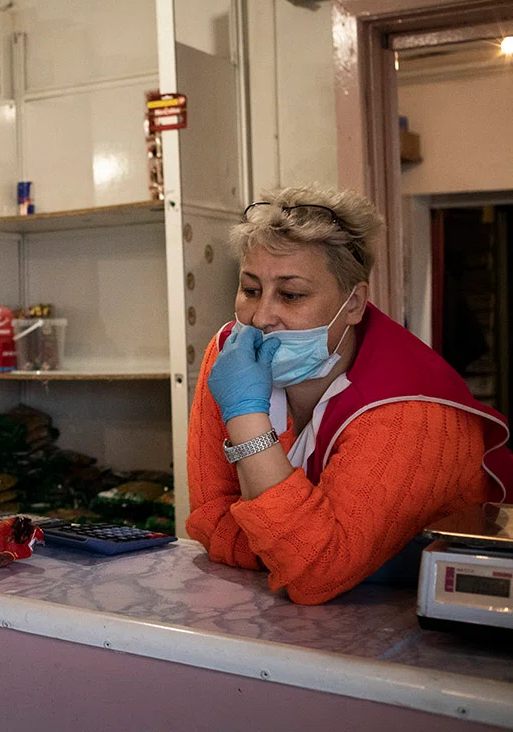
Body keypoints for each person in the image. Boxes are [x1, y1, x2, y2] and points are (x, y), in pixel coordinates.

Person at [187, 185, 513, 605]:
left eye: (291, 295)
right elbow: (209, 518)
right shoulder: (230, 356)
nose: (261, 317)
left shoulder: (414, 408)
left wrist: (246, 417)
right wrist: (287, 551)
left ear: (354, 303)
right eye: (251, 290)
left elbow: (315, 572)